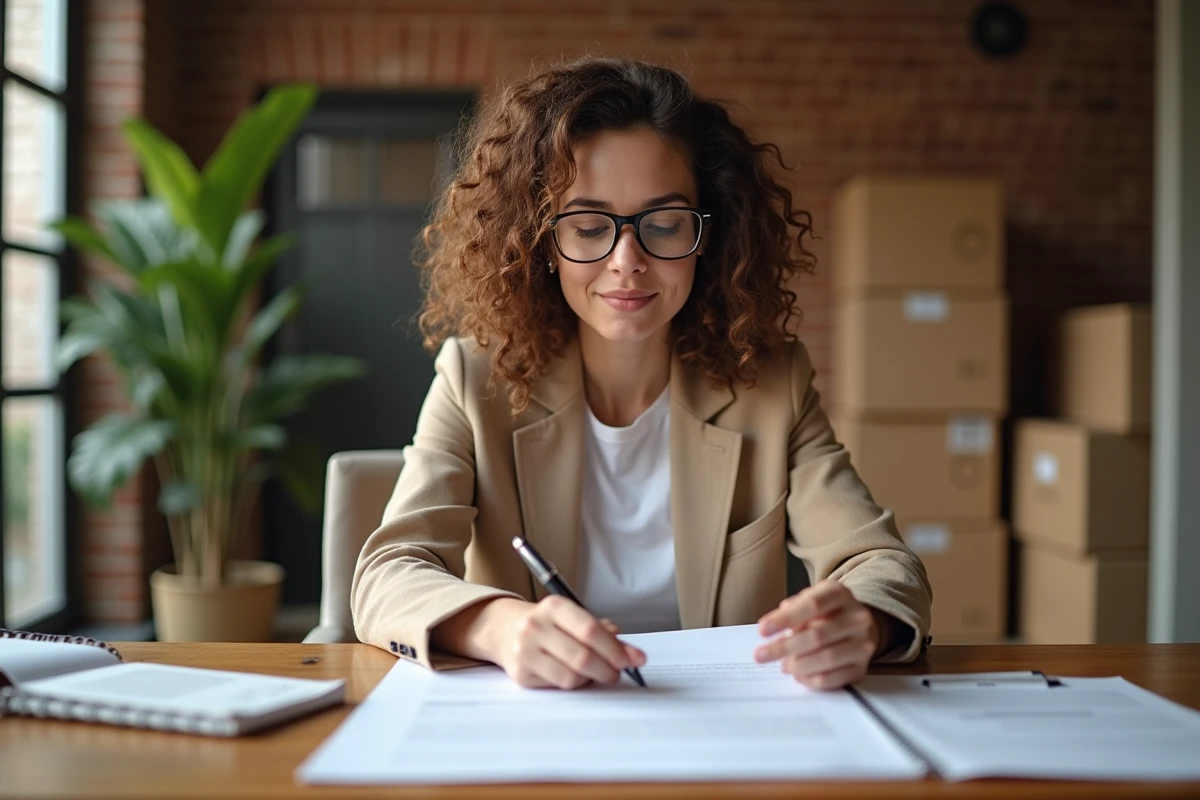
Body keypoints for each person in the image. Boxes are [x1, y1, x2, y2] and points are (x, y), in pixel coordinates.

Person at [352, 56, 931, 691]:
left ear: (708, 233)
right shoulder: (475, 379)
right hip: (543, 728)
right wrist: (500, 627)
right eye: (589, 225)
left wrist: (865, 622)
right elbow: (389, 571)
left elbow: (880, 562)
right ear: (542, 241)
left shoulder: (770, 385)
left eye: (662, 224)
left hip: (722, 731)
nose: (627, 262)